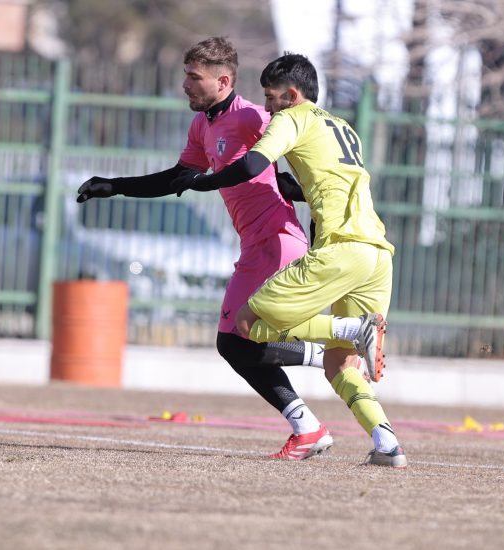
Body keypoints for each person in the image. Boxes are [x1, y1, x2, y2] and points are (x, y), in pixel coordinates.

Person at [76, 37, 334, 461]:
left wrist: (306, 202)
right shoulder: (203, 126)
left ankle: (330, 354)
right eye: (186, 75)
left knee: (243, 341)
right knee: (234, 345)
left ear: (223, 81)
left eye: (194, 77)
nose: (185, 85)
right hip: (254, 247)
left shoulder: (254, 116)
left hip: (278, 240)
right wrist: (115, 186)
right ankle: (308, 424)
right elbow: (178, 178)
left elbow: (307, 168)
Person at [170, 53, 406, 468]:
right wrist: (294, 192)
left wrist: (204, 182)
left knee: (246, 323)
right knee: (340, 364)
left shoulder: (292, 118)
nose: (267, 107)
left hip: (342, 250)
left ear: (292, 95)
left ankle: (354, 329)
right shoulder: (343, 127)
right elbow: (330, 185)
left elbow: (252, 164)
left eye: (271, 97)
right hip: (377, 254)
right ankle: (386, 443)